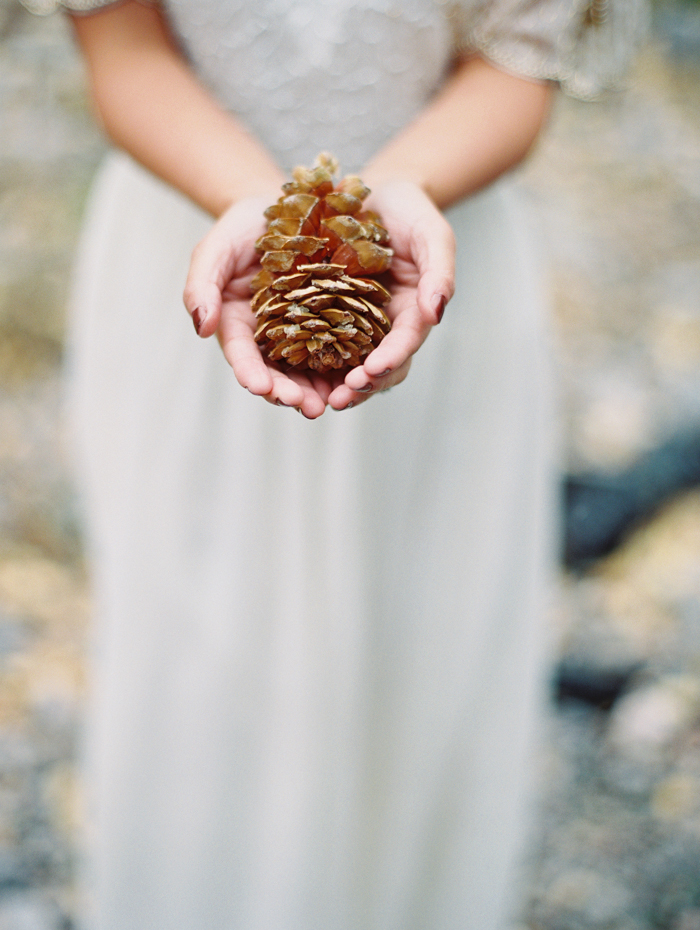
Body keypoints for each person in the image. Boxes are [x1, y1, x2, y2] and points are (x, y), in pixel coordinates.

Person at [20, 0, 646, 927]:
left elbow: (516, 69)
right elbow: (124, 51)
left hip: (431, 272)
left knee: (422, 680)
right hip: (193, 267)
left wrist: (390, 194)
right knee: (198, 686)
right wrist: (264, 213)